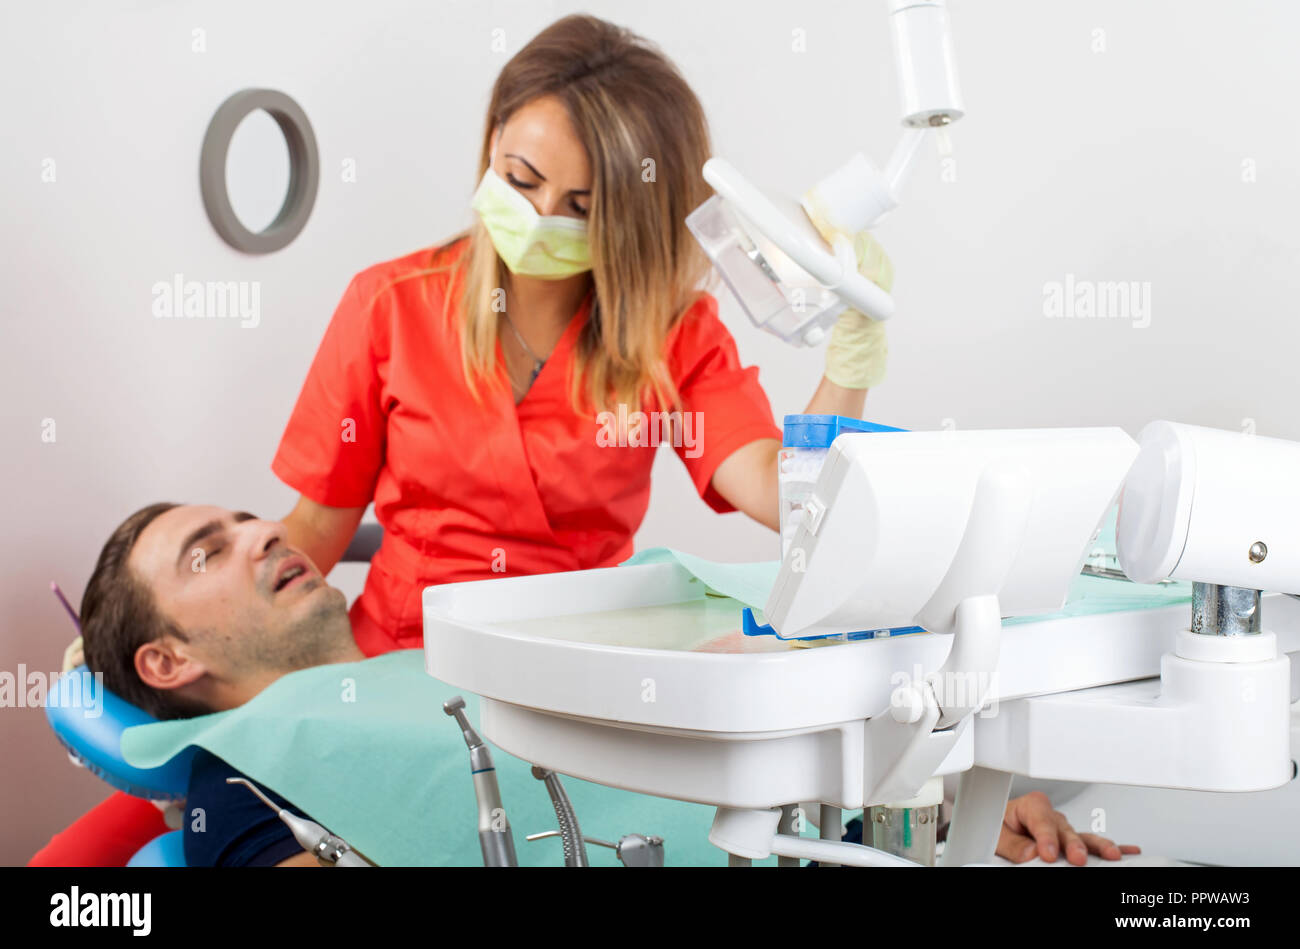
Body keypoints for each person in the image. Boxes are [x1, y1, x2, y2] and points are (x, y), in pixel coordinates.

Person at [33, 504, 1139, 867]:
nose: (261, 530)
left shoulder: (421, 676)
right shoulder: (253, 779)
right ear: (167, 665)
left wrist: (951, 815)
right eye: (205, 553)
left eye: (243, 519)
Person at [272, 14, 893, 657]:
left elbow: (784, 495)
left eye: (581, 207)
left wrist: (853, 355)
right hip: (399, 661)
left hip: (576, 672)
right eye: (521, 179)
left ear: (632, 219)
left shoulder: (673, 336)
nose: (540, 218)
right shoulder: (388, 305)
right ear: (493, 140)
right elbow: (316, 526)